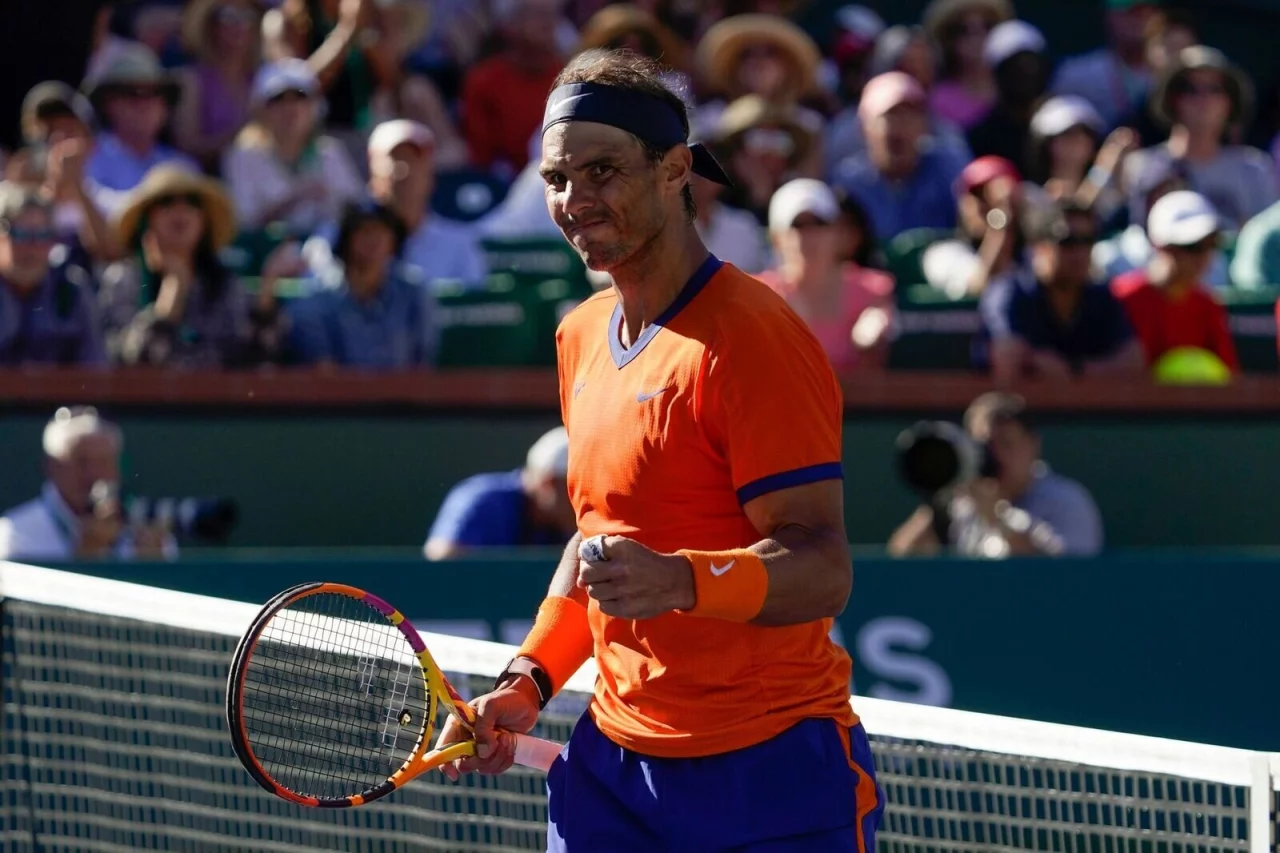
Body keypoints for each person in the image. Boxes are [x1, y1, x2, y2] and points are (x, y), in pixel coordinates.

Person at [435, 49, 882, 851]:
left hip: (772, 771)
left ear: (676, 170)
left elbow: (824, 567)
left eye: (602, 171)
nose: (574, 200)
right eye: (557, 178)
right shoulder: (579, 335)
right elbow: (597, 540)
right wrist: (529, 680)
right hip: (612, 774)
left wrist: (679, 579)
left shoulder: (756, 338)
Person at [98, 165, 286, 368]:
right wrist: (174, 285)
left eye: (192, 202)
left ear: (205, 221)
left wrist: (267, 292)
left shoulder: (225, 282)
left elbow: (256, 359)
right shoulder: (123, 280)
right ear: (146, 220)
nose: (180, 210)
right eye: (166, 201)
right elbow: (135, 361)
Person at [888, 392, 1104, 558]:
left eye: (1007, 444)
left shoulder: (1067, 501)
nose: (996, 455)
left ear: (1034, 445)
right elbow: (902, 558)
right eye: (986, 445)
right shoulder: (961, 505)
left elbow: (1066, 576)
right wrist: (939, 501)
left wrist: (995, 517)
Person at [303, 119, 488, 290]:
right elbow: (318, 297)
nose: (405, 171)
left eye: (415, 160)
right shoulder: (335, 237)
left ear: (430, 176)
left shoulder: (460, 245)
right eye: (394, 159)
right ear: (372, 171)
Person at [982, 200, 1145, 381]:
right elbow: (1007, 360)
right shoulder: (1010, 293)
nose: (1080, 253)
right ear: (1038, 247)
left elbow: (1134, 361)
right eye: (1067, 242)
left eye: (1087, 241)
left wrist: (1074, 370)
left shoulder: (1101, 297)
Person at [1122, 46, 1277, 232]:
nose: (1203, 99)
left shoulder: (1254, 169)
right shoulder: (1140, 167)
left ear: (1230, 102)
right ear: (1172, 99)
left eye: (1215, 89)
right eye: (1190, 89)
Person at [0, 407, 175, 561]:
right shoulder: (12, 536)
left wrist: (154, 568)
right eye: (81, 461)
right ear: (51, 467)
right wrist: (86, 555)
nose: (94, 474)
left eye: (104, 462)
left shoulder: (148, 533)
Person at [758, 178, 894, 371]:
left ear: (837, 232)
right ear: (776, 238)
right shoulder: (757, 294)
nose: (809, 235)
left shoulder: (873, 291)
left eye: (819, 223)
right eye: (798, 225)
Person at [222, 59, 364, 237]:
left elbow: (356, 207)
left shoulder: (329, 151)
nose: (291, 109)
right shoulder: (242, 157)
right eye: (278, 100)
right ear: (261, 110)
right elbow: (244, 224)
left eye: (300, 98)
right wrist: (295, 199)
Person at [287, 201, 438, 368]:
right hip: (343, 386)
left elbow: (422, 366)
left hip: (403, 385)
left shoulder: (414, 296)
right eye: (364, 231)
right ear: (345, 240)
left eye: (381, 231)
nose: (373, 240)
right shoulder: (315, 305)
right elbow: (323, 373)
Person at [1110, 190, 1238, 373]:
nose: (1203, 256)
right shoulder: (1121, 298)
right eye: (1192, 247)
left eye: (1211, 244)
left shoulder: (1207, 306)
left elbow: (1229, 376)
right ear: (1160, 246)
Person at [834, 71, 967, 241]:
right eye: (889, 116)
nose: (900, 126)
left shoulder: (947, 169)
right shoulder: (848, 185)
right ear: (864, 127)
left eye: (910, 115)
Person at [424, 427, 576, 560]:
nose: (582, 497)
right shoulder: (482, 499)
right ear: (549, 483)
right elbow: (442, 559)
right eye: (576, 487)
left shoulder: (566, 525)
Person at [0, 186, 106, 367]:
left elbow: (95, 367)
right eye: (21, 234)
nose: (32, 247)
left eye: (42, 235)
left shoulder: (72, 289)